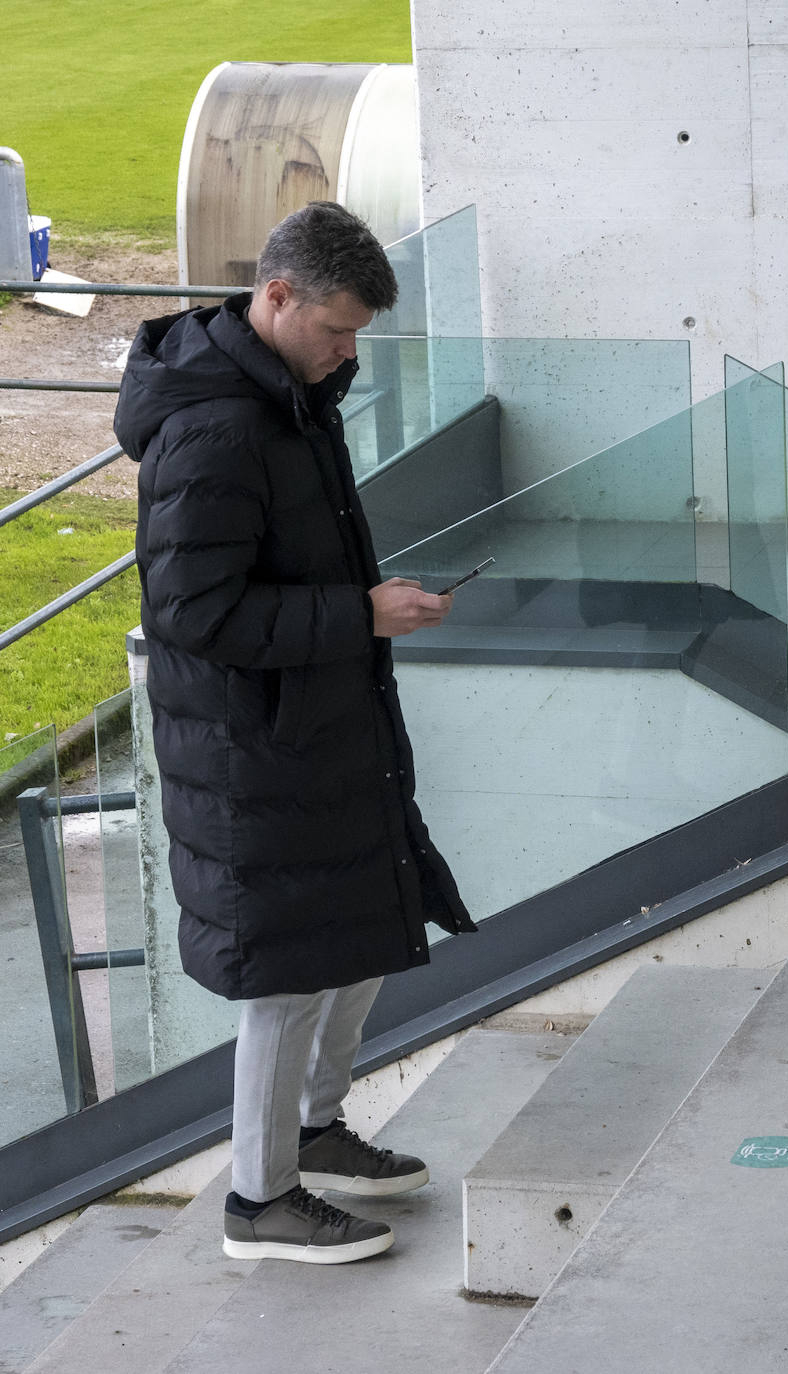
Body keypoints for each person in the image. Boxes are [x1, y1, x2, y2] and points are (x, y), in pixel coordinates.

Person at [114, 202, 476, 1266]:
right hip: (252, 749)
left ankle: (316, 1134)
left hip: (312, 729)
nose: (348, 353)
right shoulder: (218, 427)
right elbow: (194, 613)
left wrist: (365, 606)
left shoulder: (287, 398)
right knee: (284, 972)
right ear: (277, 297)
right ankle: (259, 1204)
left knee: (354, 937)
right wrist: (361, 614)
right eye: (338, 330)